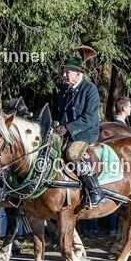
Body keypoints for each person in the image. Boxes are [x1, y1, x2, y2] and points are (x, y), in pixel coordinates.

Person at [52, 46, 106, 209]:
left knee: (72, 153)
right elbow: (57, 112)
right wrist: (55, 123)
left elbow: (89, 118)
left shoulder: (90, 89)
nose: (64, 75)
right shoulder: (64, 91)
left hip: (85, 133)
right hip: (65, 132)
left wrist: (67, 127)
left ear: (78, 73)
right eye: (64, 72)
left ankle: (96, 192)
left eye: (67, 72)